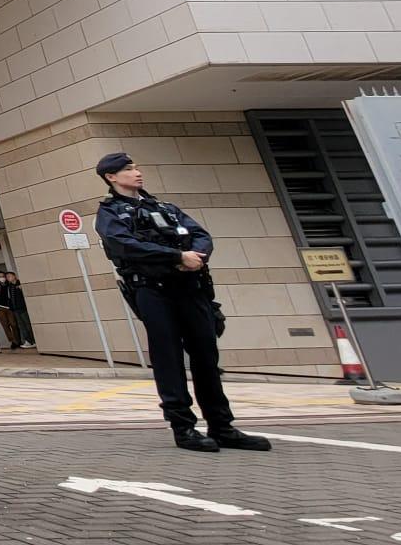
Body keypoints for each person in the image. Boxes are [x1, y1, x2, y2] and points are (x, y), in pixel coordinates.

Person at [95, 152, 270, 454]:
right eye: (128, 169)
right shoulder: (111, 213)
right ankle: (183, 427)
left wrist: (195, 257)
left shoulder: (166, 208)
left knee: (206, 358)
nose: (137, 173)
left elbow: (201, 235)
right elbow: (123, 244)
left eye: (136, 167)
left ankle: (221, 426)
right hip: (153, 291)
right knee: (169, 359)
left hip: (191, 288)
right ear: (112, 177)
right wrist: (176, 257)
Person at [0, 268, 25, 349]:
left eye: (3, 276)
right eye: (0, 276)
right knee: (5, 325)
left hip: (9, 307)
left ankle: (18, 340)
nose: (2, 278)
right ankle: (13, 341)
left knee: (13, 324)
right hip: (0, 308)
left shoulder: (8, 284)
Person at [7, 271, 37, 350]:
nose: (8, 278)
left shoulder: (20, 283)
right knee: (21, 326)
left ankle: (34, 340)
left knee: (28, 324)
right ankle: (28, 341)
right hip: (16, 309)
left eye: (10, 276)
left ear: (14, 276)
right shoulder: (10, 286)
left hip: (23, 308)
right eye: (7, 277)